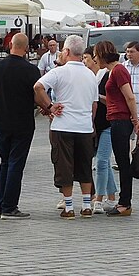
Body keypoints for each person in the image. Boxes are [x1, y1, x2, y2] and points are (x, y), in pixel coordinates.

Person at [35, 35, 98, 219]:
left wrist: (49, 106)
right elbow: (94, 104)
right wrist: (90, 120)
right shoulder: (90, 74)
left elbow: (38, 87)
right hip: (84, 127)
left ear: (67, 51)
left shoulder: (59, 72)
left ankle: (69, 206)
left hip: (63, 125)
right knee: (84, 165)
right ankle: (87, 204)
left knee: (64, 165)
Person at [0, 34, 40, 220]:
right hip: (22, 122)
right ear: (26, 48)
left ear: (10, 45)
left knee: (5, 161)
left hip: (0, 121)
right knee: (16, 163)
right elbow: (36, 95)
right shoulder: (31, 70)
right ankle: (9, 206)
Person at [96, 40, 139, 216]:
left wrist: (135, 119)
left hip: (121, 120)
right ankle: (124, 201)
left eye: (96, 56)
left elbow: (129, 97)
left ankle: (125, 202)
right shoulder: (112, 71)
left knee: (123, 162)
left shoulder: (118, 70)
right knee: (121, 161)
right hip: (117, 118)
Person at [83, 46, 117, 214]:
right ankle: (112, 196)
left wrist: (96, 96)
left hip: (108, 123)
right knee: (103, 162)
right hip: (95, 124)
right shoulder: (93, 76)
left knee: (101, 162)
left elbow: (113, 100)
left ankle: (98, 198)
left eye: (89, 57)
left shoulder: (109, 74)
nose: (87, 61)